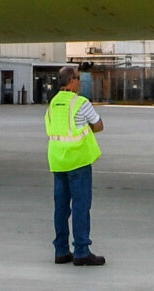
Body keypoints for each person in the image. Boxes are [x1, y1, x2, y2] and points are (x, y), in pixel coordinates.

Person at [45, 65, 104, 267]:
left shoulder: (53, 103)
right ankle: (81, 251)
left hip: (57, 160)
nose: (80, 81)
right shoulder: (80, 103)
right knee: (80, 206)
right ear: (71, 81)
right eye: (78, 78)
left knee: (61, 208)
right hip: (78, 160)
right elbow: (99, 125)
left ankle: (61, 250)